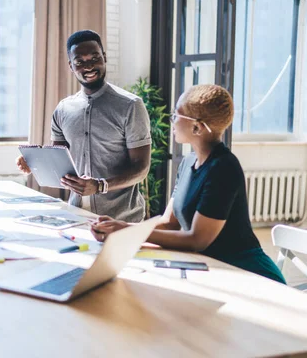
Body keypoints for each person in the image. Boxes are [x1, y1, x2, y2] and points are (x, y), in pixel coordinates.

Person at [91, 84, 286, 284]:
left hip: (247, 273)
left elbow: (197, 240)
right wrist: (120, 230)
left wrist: (126, 230)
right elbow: (170, 222)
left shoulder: (224, 167)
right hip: (209, 267)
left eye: (176, 115)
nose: (172, 121)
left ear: (197, 127)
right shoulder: (187, 163)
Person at [16, 30, 151, 222]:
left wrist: (100, 186)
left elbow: (142, 168)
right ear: (71, 66)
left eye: (94, 58)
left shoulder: (130, 105)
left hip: (122, 219)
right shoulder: (63, 110)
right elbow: (60, 162)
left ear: (104, 57)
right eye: (80, 61)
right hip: (76, 216)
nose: (88, 66)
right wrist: (34, 162)